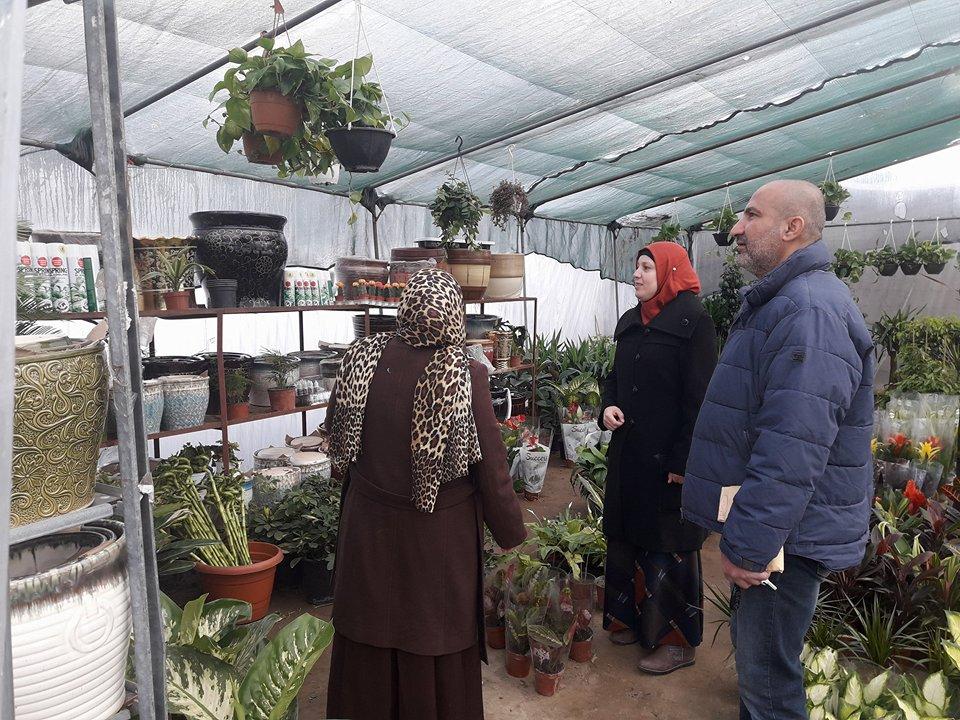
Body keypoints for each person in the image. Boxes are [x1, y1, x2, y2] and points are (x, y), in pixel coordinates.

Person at [682, 180, 875, 720]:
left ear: (793, 227)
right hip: (781, 532)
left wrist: (750, 545)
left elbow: (794, 447)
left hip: (786, 539)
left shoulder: (808, 311)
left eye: (751, 216)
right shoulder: (787, 301)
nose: (736, 228)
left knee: (769, 688)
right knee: (762, 676)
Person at [325, 268, 527, 720]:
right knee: (429, 637)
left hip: (368, 532)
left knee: (370, 636)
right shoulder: (466, 374)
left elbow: (338, 435)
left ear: (407, 308)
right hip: (437, 541)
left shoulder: (361, 358)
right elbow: (491, 467)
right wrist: (510, 532)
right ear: (454, 314)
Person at [599, 240, 718, 675]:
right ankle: (629, 619)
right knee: (627, 535)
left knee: (669, 543)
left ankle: (676, 642)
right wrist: (607, 407)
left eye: (647, 267)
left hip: (668, 461)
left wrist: (683, 463)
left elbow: (700, 400)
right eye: (636, 267)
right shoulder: (632, 322)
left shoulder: (694, 323)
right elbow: (613, 379)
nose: (637, 274)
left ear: (670, 272)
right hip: (630, 455)